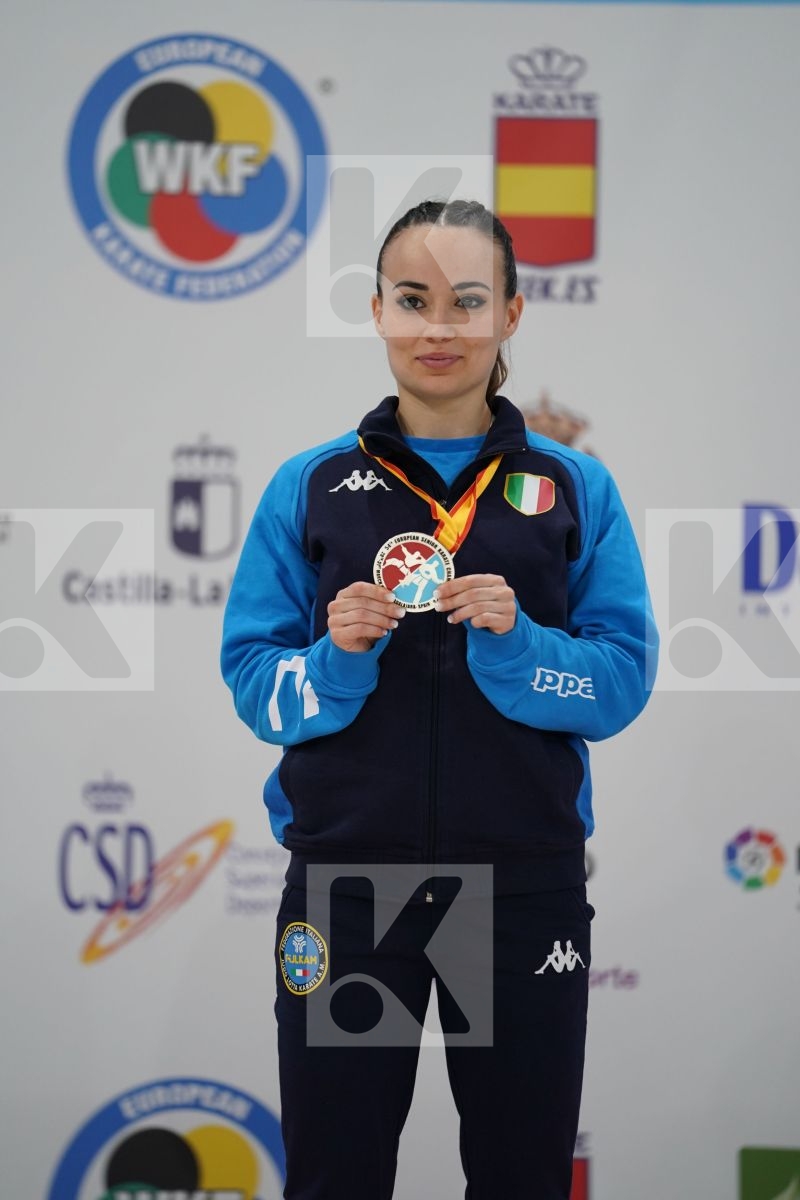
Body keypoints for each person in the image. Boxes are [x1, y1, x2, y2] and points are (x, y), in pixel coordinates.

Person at [220, 198, 659, 1199]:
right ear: (376, 311)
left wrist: (517, 647)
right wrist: (334, 659)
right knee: (337, 1179)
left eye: (467, 300)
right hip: (349, 894)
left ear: (510, 313)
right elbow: (255, 685)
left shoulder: (572, 487)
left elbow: (618, 681)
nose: (439, 327)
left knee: (519, 1178)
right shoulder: (311, 484)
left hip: (520, 893)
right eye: (413, 300)